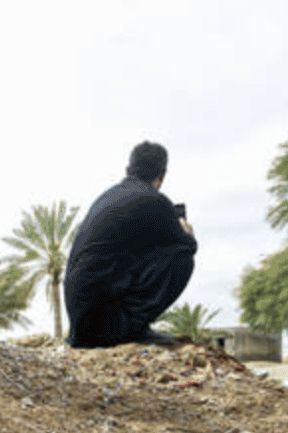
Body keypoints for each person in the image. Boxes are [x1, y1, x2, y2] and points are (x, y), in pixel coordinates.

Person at [63, 142, 197, 348]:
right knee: (182, 257)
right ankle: (132, 329)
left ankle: (124, 325)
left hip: (81, 327)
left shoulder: (108, 196)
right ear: (162, 176)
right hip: (104, 329)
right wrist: (186, 229)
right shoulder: (156, 201)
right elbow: (189, 245)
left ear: (128, 170)